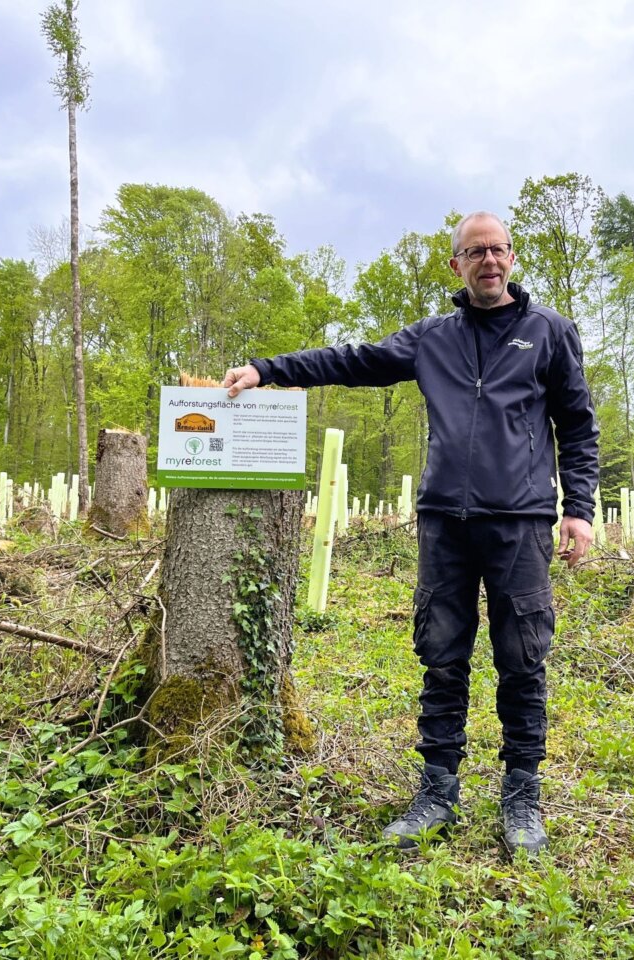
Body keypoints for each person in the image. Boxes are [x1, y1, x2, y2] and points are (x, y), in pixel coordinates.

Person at [221, 211, 598, 855]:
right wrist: (267, 370)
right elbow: (353, 359)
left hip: (521, 523)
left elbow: (579, 427)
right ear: (456, 265)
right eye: (474, 252)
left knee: (523, 657)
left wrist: (580, 508)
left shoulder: (550, 334)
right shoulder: (433, 338)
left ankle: (522, 795)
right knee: (442, 654)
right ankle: (438, 789)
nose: (488, 260)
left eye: (498, 250)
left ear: (513, 258)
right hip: (445, 523)